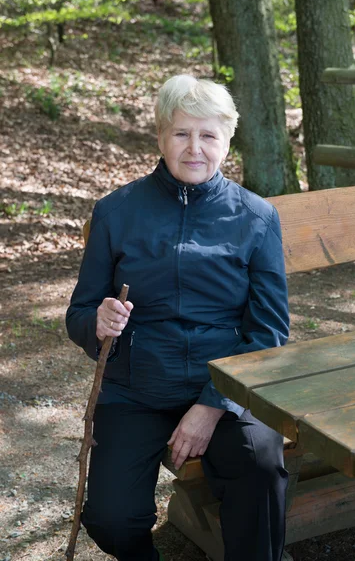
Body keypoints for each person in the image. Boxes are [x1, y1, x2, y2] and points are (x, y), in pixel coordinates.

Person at [66, 74, 290, 561]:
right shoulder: (116, 212)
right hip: (135, 389)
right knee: (110, 516)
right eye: (181, 133)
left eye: (208, 135)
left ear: (227, 142)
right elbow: (80, 312)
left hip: (227, 385)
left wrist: (212, 406)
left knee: (261, 468)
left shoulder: (256, 217)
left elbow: (270, 328)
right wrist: (97, 323)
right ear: (161, 137)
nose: (195, 148)